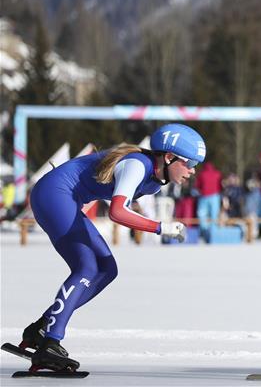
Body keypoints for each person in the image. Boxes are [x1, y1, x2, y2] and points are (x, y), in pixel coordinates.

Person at [17, 124, 204, 372]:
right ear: (169, 157)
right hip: (53, 194)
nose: (192, 171)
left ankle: (42, 327)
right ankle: (50, 341)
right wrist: (160, 227)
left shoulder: (156, 182)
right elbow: (117, 212)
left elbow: (122, 204)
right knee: (86, 267)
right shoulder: (138, 165)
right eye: (190, 163)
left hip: (67, 198)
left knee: (106, 268)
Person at [195, 161, 223, 240]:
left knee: (202, 215)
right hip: (215, 196)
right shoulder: (217, 173)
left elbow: (197, 186)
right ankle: (214, 234)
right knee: (214, 215)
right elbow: (220, 185)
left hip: (204, 196)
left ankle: (204, 232)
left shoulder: (201, 174)